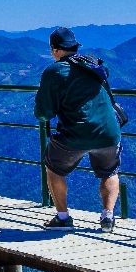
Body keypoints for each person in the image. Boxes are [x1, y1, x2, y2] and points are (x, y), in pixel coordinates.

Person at [34, 27, 122, 232]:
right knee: (109, 172)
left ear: (55, 49)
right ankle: (107, 218)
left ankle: (63, 218)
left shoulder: (54, 71)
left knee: (53, 168)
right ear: (74, 47)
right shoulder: (93, 64)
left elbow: (42, 112)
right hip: (108, 132)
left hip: (75, 134)